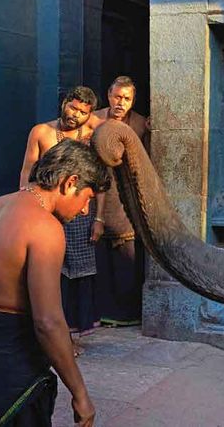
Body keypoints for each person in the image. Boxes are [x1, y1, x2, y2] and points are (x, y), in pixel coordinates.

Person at [0, 139, 110, 426]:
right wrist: (80, 394)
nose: (85, 209)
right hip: (5, 386)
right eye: (87, 197)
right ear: (69, 182)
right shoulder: (45, 227)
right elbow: (48, 322)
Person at [20, 86, 105, 356]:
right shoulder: (41, 132)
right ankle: (49, 336)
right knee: (48, 273)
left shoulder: (92, 134)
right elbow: (27, 172)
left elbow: (99, 184)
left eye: (83, 112)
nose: (75, 115)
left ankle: (69, 337)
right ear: (64, 102)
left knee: (77, 276)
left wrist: (98, 217)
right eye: (73, 107)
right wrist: (24, 207)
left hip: (80, 215)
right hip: (45, 213)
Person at [93, 76, 148, 326]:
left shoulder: (139, 123)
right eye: (117, 97)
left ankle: (126, 313)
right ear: (109, 95)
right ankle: (100, 310)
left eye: (126, 98)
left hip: (126, 197)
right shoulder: (94, 120)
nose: (121, 102)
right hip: (96, 190)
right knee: (98, 254)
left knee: (127, 253)